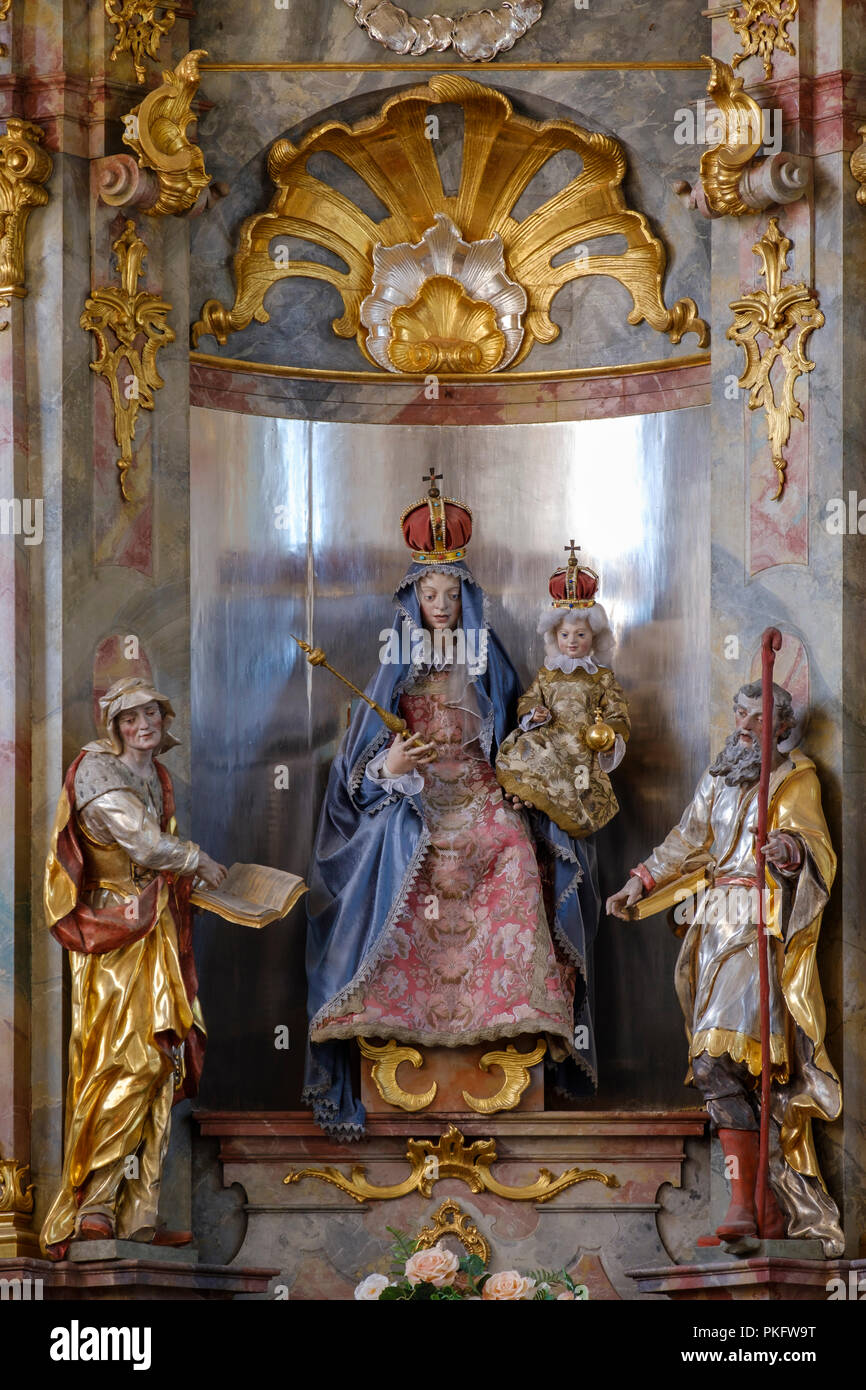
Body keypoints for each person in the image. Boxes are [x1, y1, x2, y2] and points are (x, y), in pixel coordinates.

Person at [303, 472, 595, 1137]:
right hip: (417, 798)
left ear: (468, 598)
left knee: (515, 846)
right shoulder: (393, 664)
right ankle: (391, 1020)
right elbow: (355, 772)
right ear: (413, 599)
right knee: (401, 845)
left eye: (451, 594)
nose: (440, 605)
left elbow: (514, 736)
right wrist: (391, 767)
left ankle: (512, 1024)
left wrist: (533, 743)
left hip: (480, 790)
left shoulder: (488, 658)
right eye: (429, 594)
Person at [607, 679, 843, 1254]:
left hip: (760, 926)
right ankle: (756, 1205)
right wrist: (641, 881)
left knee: (728, 1057)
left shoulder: (796, 777)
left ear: (781, 726)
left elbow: (816, 846)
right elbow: (687, 838)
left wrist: (789, 852)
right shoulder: (719, 776)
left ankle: (750, 1203)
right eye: (739, 713)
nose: (744, 726)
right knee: (714, 1067)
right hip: (713, 925)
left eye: (758, 718)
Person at [40, 677, 226, 1259]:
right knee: (127, 1061)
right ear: (115, 726)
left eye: (151, 714)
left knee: (163, 1064)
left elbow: (155, 857)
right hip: (114, 932)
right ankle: (94, 1204)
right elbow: (143, 844)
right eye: (130, 717)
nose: (143, 725)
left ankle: (138, 1213)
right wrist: (198, 861)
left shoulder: (157, 776)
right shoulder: (98, 773)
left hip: (155, 929)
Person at [494, 545, 629, 1093]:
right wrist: (535, 714)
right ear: (554, 636)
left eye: (582, 634)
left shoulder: (601, 680)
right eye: (566, 634)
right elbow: (526, 705)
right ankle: (528, 800)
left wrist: (607, 735)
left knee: (573, 833)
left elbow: (618, 718)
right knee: (526, 755)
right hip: (551, 755)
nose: (574, 642)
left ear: (594, 637)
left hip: (581, 766)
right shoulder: (548, 675)